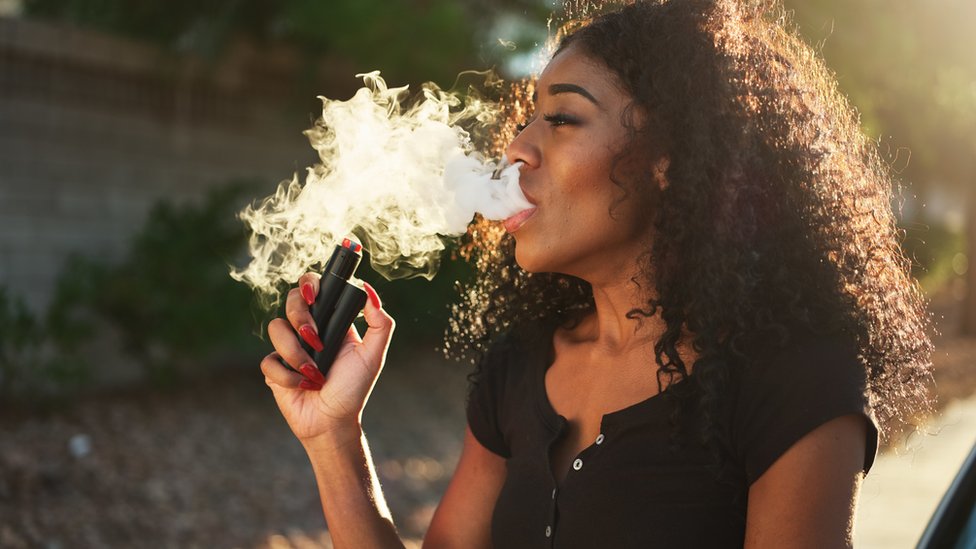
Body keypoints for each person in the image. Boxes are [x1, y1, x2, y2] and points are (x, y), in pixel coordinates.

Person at [260, 0, 934, 547]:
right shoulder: (521, 366)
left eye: (562, 119)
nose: (518, 149)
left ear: (670, 156)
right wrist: (334, 434)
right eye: (527, 119)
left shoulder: (795, 381)